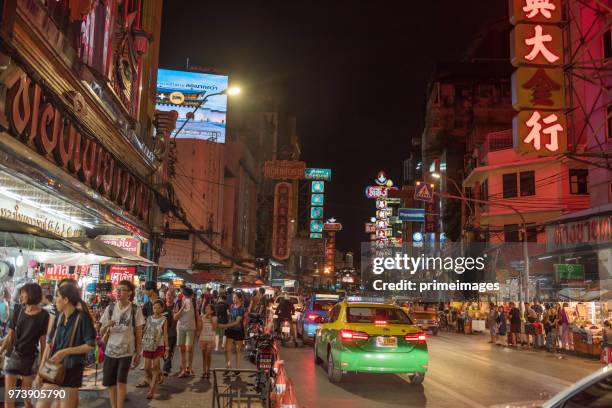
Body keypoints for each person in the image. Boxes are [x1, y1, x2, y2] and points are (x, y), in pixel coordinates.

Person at [35, 283, 96, 408]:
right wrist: (40, 373)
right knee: (41, 405)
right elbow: (49, 345)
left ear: (66, 299)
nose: (55, 300)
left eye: (58, 297)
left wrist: (64, 352)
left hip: (73, 368)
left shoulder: (82, 317)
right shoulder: (59, 317)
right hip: (52, 367)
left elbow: (91, 345)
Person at [0, 284, 49, 408]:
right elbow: (10, 335)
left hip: (30, 358)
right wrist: (1, 350)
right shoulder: (18, 309)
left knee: (27, 400)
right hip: (13, 356)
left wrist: (42, 367)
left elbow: (43, 343)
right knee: (9, 399)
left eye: (23, 293)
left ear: (31, 294)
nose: (20, 296)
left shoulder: (44, 315)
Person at [99, 280, 145, 408]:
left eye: (122, 289)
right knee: (110, 383)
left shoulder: (135, 309)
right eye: (117, 289)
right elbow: (101, 330)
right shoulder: (110, 308)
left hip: (126, 352)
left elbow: (139, 332)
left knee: (121, 381)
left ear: (130, 293)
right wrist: (107, 325)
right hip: (110, 351)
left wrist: (138, 353)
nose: (118, 292)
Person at [141, 300, 168, 399]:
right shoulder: (148, 318)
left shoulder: (164, 319)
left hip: (159, 345)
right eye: (154, 307)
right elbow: (144, 330)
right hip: (148, 345)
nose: (155, 309)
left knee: (155, 367)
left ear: (162, 308)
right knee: (147, 368)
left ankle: (152, 390)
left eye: (158, 307)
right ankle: (158, 376)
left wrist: (167, 348)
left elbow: (165, 334)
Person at [173, 286, 200, 377]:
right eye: (186, 296)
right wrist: (182, 307)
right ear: (183, 295)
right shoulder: (179, 302)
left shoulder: (194, 302)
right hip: (180, 327)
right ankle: (183, 370)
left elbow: (197, 316)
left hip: (191, 327)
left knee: (189, 348)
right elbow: (175, 317)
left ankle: (189, 368)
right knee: (181, 349)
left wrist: (198, 329)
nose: (188, 298)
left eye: (189, 296)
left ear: (192, 296)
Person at [218, 292, 245, 373]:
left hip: (238, 331)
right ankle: (228, 366)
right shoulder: (232, 306)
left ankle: (237, 369)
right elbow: (230, 317)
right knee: (227, 349)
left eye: (235, 297)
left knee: (238, 350)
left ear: (240, 299)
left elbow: (237, 322)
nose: (233, 299)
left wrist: (224, 325)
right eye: (233, 297)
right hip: (230, 330)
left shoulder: (241, 308)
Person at [199, 303, 217, 380]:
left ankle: (208, 370)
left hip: (210, 339)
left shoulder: (215, 318)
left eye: (208, 309)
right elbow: (200, 327)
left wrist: (210, 319)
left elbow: (214, 328)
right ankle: (204, 371)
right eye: (206, 309)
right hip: (203, 338)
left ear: (212, 311)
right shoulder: (202, 317)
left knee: (208, 354)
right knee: (203, 355)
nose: (206, 310)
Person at [163, 288, 177, 376]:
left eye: (171, 295)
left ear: (174, 297)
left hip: (172, 332)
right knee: (163, 351)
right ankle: (168, 365)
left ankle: (166, 369)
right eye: (167, 295)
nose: (169, 297)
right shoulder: (162, 306)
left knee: (170, 350)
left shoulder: (176, 307)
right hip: (162, 333)